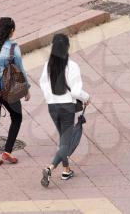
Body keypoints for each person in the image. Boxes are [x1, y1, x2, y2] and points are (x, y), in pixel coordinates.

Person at [39, 33, 90, 187]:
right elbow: (75, 91)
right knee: (65, 143)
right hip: (67, 107)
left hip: (52, 107)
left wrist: (51, 99)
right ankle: (50, 167)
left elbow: (43, 84)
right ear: (67, 47)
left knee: (63, 139)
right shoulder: (73, 66)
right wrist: (86, 97)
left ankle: (66, 170)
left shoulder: (48, 64)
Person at [0, 17, 31, 167]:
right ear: (11, 31)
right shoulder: (14, 48)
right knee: (17, 117)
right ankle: (7, 151)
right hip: (8, 90)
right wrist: (26, 89)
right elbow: (20, 70)